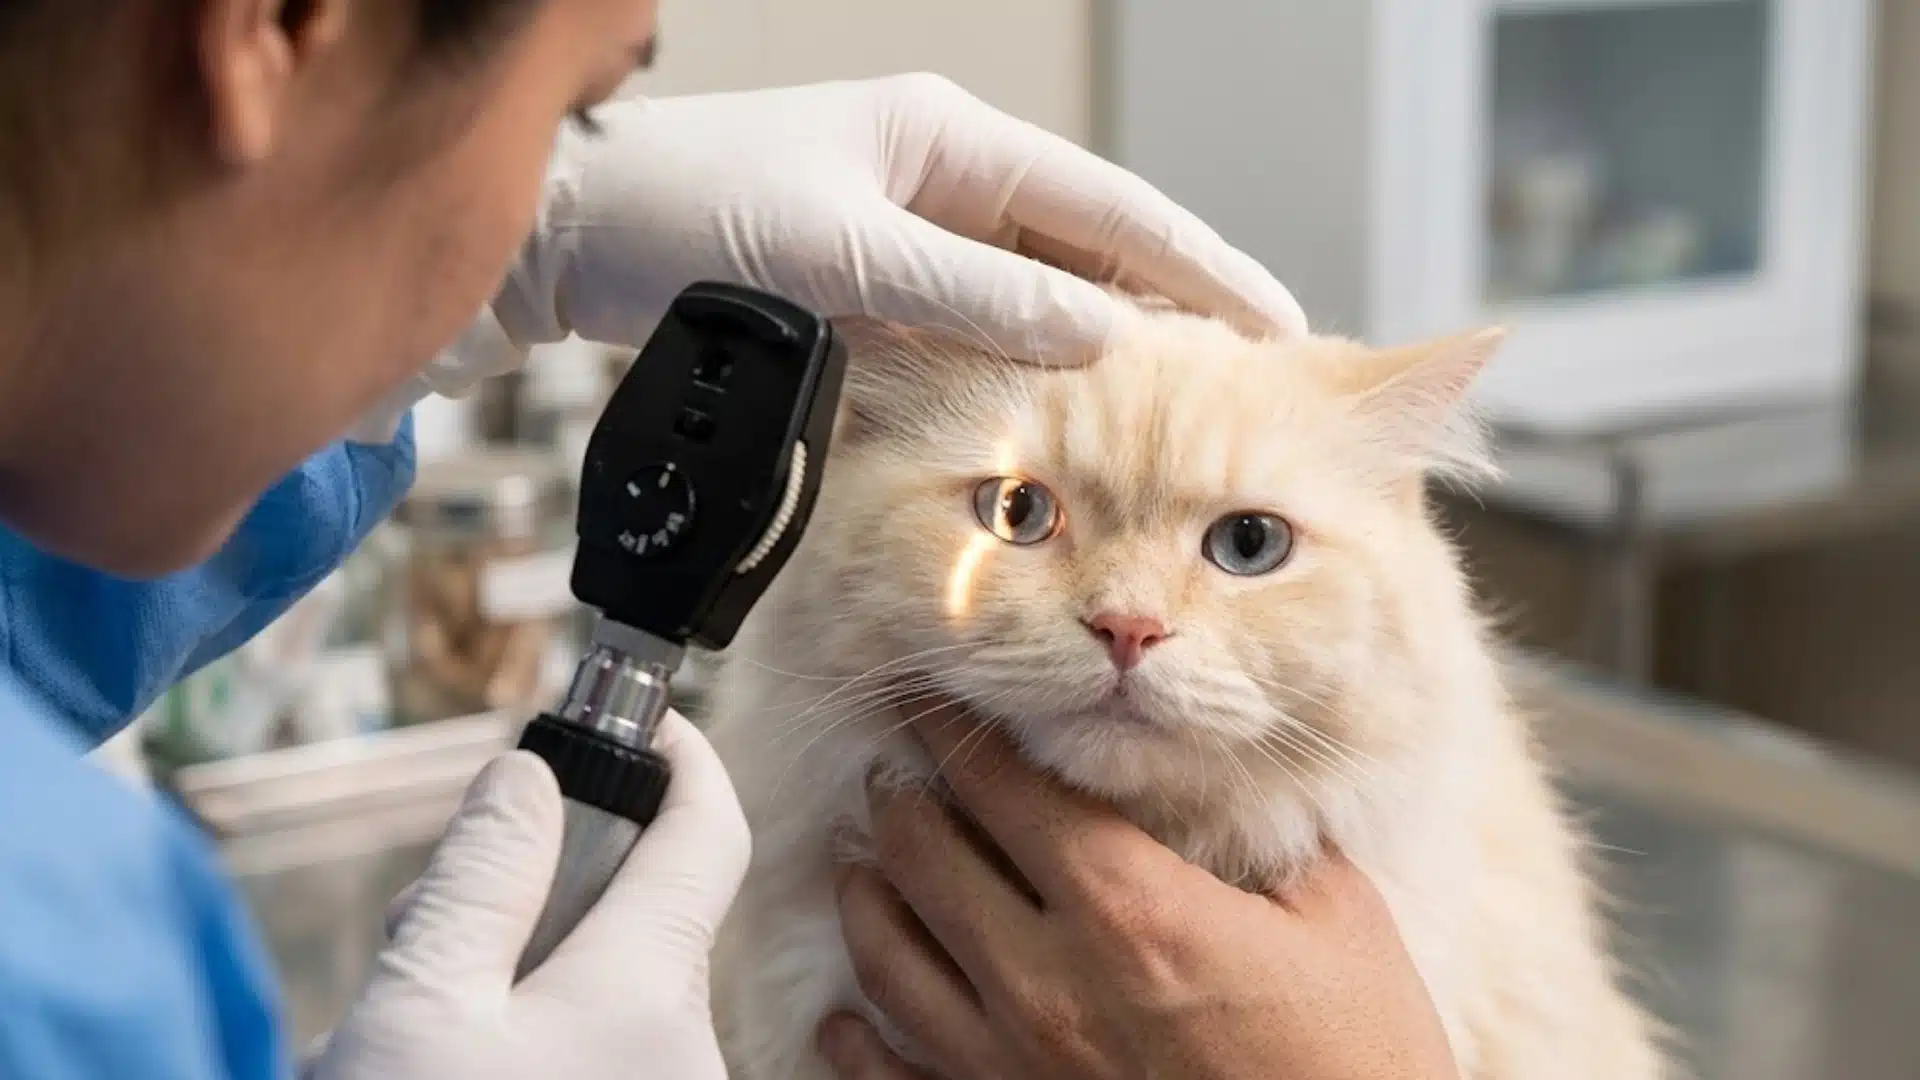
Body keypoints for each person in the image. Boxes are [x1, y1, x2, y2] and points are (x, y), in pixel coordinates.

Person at [0, 2, 1457, 1079]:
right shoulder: (64, 954)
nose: (1134, 615)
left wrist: (517, 257)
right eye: (576, 116)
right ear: (275, 30)